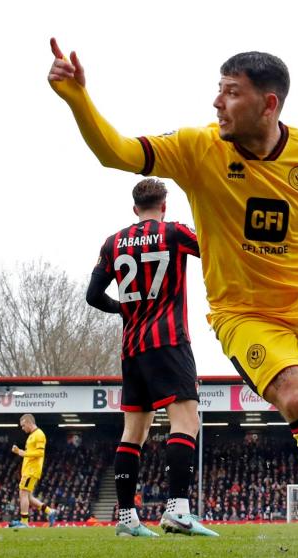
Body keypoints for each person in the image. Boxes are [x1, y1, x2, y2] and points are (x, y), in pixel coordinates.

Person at [49, 39, 298, 557]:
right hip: (244, 313)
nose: (217, 103)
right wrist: (77, 100)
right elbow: (117, 152)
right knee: (295, 396)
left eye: (230, 92)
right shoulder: (197, 148)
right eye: (217, 91)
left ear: (268, 104)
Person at [86, 177, 216, 538]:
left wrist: (124, 310)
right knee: (186, 422)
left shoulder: (113, 243)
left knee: (133, 433)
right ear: (163, 206)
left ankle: (127, 519)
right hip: (169, 341)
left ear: (134, 209)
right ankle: (178, 510)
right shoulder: (173, 232)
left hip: (132, 348)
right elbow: (213, 247)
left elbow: (93, 295)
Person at [9, 414, 58, 528]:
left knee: (23, 493)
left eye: (23, 425)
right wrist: (20, 452)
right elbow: (31, 453)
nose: (22, 428)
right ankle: (50, 512)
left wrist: (22, 452)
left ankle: (24, 522)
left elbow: (40, 453)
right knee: (29, 497)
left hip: (32, 470)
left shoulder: (39, 434)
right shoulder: (32, 436)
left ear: (28, 422)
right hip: (28, 469)